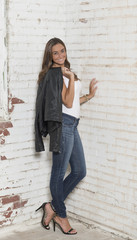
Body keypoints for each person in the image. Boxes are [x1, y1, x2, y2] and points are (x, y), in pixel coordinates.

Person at [35, 37, 97, 235]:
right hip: (63, 126)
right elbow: (68, 104)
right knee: (59, 172)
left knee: (79, 170)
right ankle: (61, 215)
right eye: (56, 53)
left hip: (72, 124)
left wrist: (89, 96)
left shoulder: (64, 71)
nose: (61, 55)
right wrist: (70, 78)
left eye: (63, 51)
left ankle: (51, 207)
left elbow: (71, 101)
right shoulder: (55, 74)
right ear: (50, 56)